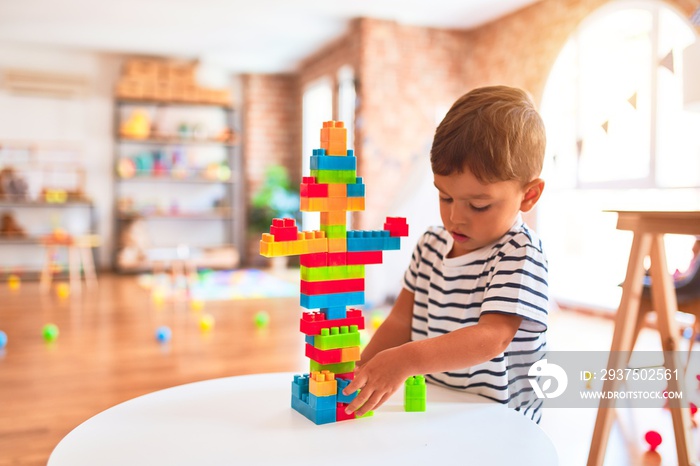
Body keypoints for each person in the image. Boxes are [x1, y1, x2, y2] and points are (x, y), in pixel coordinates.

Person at [343, 85, 549, 423]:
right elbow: (400, 321)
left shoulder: (520, 252)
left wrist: (406, 360)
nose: (456, 217)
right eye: (445, 197)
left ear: (528, 196)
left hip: (502, 420)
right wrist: (364, 370)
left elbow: (491, 338)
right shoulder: (430, 246)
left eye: (478, 205)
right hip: (439, 407)